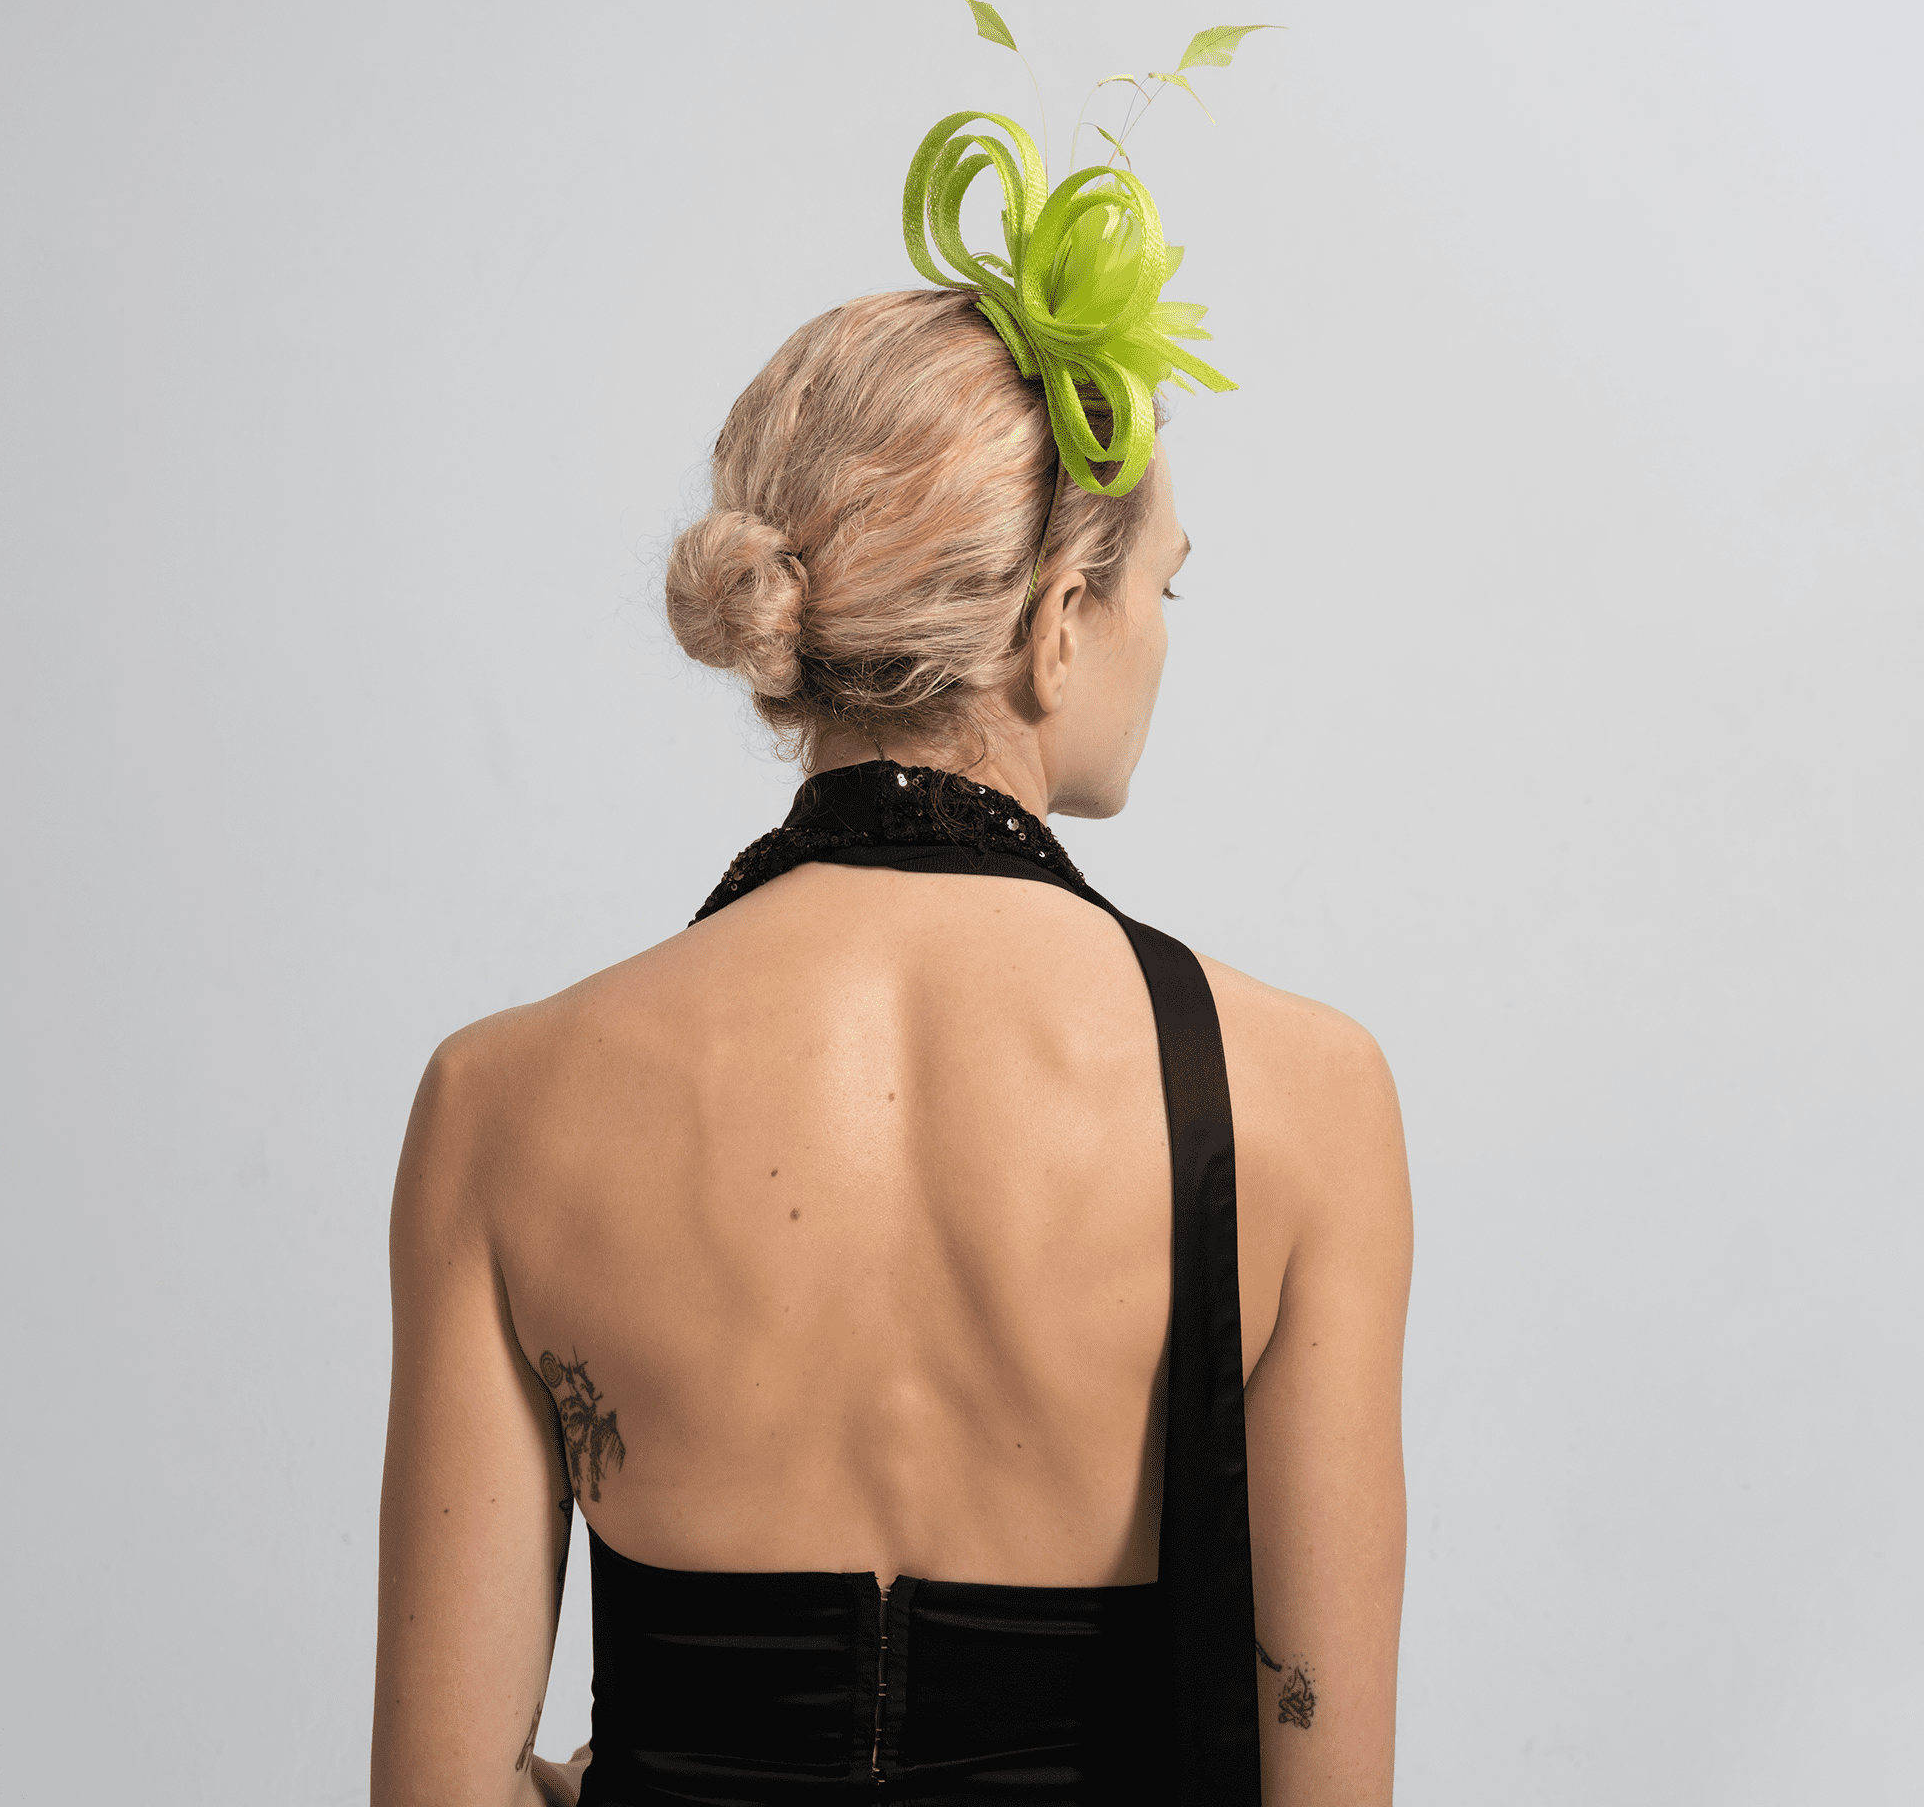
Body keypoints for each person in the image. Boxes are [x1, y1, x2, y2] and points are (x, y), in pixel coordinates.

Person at [372, 109, 1412, 1806]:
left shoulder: (501, 1103)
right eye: (1161, 589)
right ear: (1059, 624)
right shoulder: (1303, 1100)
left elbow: (437, 1790)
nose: (1161, 638)